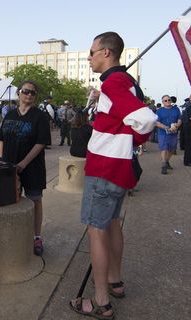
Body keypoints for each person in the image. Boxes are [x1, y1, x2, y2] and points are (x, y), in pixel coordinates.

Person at [69, 32, 157, 320]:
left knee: (97, 230)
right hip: (117, 167)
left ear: (107, 53)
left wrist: (128, 138)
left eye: (92, 52)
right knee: (113, 224)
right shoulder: (125, 82)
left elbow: (144, 120)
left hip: (105, 167)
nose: (89, 57)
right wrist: (125, 137)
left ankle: (101, 300)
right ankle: (114, 281)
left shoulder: (114, 81)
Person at [0, 80, 51, 256]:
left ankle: (36, 236)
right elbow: (2, 139)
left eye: (32, 93)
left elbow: (41, 142)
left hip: (32, 167)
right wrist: (1, 162)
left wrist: (23, 163)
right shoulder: (10, 114)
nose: (28, 95)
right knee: (11, 200)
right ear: (19, 93)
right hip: (9, 167)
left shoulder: (40, 116)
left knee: (35, 200)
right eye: (26, 91)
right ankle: (15, 234)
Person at [156, 95, 181, 174]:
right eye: (165, 100)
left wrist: (177, 125)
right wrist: (166, 127)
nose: (167, 101)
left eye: (169, 100)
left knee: (172, 149)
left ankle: (166, 161)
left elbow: (179, 119)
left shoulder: (176, 109)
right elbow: (157, 123)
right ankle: (164, 165)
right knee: (164, 148)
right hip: (163, 132)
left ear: (171, 100)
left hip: (173, 132)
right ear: (163, 102)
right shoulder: (159, 111)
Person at [181, 95, 191, 166]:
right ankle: (188, 161)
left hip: (186, 126)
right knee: (189, 145)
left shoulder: (185, 105)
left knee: (188, 144)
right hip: (188, 126)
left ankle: (187, 161)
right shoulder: (189, 106)